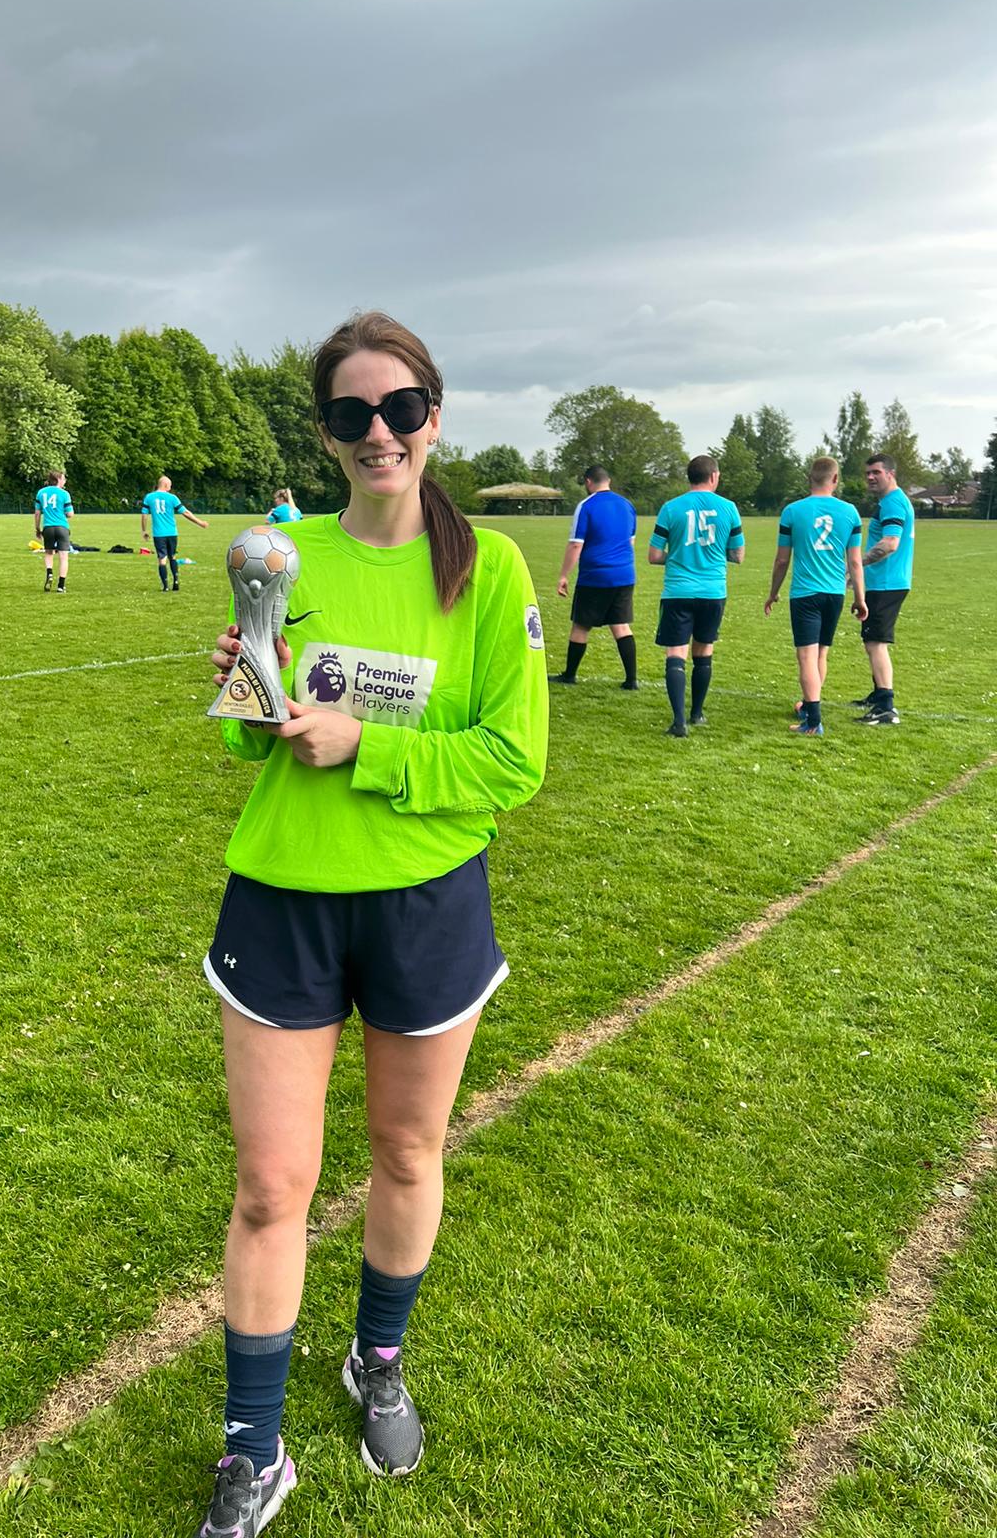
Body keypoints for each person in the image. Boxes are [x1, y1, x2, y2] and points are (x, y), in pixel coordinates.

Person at [199, 311, 548, 1538]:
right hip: (286, 897)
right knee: (269, 1184)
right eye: (351, 414)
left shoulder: (488, 569)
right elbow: (247, 743)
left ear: (433, 416)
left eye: (399, 408)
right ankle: (254, 1450)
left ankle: (377, 1361)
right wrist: (249, 681)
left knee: (406, 1153)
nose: (378, 432)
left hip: (425, 902)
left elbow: (514, 760)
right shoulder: (280, 554)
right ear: (326, 432)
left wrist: (367, 746)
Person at [764, 456, 868, 736]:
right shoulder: (850, 512)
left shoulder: (792, 512)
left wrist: (773, 593)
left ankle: (813, 721)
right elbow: (855, 562)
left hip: (805, 593)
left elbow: (782, 560)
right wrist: (860, 598)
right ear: (835, 479)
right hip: (835, 593)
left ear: (809, 478)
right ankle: (809, 707)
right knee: (821, 653)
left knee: (806, 656)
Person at [648, 455, 744, 737]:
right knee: (704, 651)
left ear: (689, 477)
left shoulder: (671, 507)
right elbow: (738, 555)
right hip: (713, 591)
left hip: (678, 591)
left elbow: (654, 555)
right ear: (713, 476)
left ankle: (678, 722)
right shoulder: (729, 508)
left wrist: (678, 556)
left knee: (676, 653)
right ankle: (697, 713)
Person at [549, 464, 638, 689]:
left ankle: (569, 675)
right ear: (608, 481)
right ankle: (631, 680)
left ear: (588, 482)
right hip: (624, 574)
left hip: (596, 576)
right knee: (621, 626)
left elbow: (575, 545)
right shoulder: (627, 505)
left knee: (581, 625)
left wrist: (563, 575)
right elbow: (631, 541)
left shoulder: (587, 506)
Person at [850, 453, 915, 726]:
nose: (870, 477)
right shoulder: (891, 501)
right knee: (872, 641)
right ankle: (878, 694)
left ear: (891, 473)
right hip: (885, 581)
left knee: (876, 643)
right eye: (868, 473)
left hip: (887, 583)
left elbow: (890, 543)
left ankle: (886, 706)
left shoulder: (893, 503)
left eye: (876, 472)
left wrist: (857, 564)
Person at [140, 475, 210, 593]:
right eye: (170, 486)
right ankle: (176, 582)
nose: (170, 488)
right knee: (172, 556)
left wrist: (144, 530)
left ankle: (165, 586)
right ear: (166, 485)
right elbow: (185, 513)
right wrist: (200, 523)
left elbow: (144, 515)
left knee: (162, 559)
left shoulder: (149, 497)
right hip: (172, 533)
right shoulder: (172, 498)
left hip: (159, 534)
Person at [33, 470, 73, 593]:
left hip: (48, 527)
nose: (65, 481)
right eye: (63, 479)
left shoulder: (41, 493)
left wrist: (37, 529)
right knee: (63, 557)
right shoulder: (65, 494)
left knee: (49, 553)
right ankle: (61, 585)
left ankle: (49, 573)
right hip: (62, 527)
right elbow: (70, 514)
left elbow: (37, 513)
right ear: (58, 480)